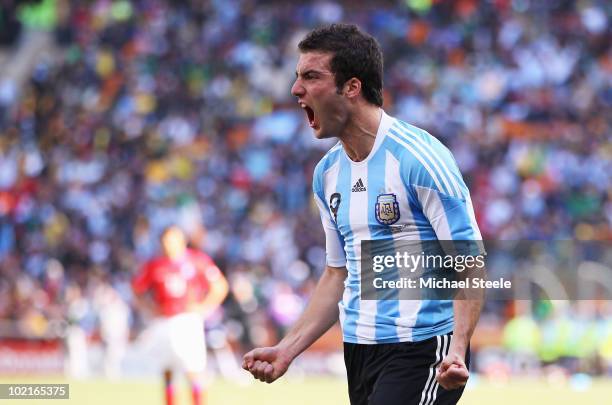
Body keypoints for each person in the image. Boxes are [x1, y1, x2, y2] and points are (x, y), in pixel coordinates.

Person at [242, 23, 484, 405]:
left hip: (421, 350)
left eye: (311, 76)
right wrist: (287, 349)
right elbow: (338, 273)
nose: (295, 89)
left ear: (352, 87)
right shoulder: (327, 173)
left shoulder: (419, 158)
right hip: (359, 349)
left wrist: (458, 347)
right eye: (297, 76)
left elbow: (468, 261)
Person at [133, 225, 229, 405]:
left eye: (172, 240)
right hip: (163, 320)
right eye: (165, 241)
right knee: (167, 370)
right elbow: (137, 289)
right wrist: (149, 308)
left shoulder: (197, 260)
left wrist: (204, 307)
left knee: (194, 370)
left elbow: (220, 286)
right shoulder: (155, 265)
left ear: (182, 241)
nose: (169, 244)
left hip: (187, 321)